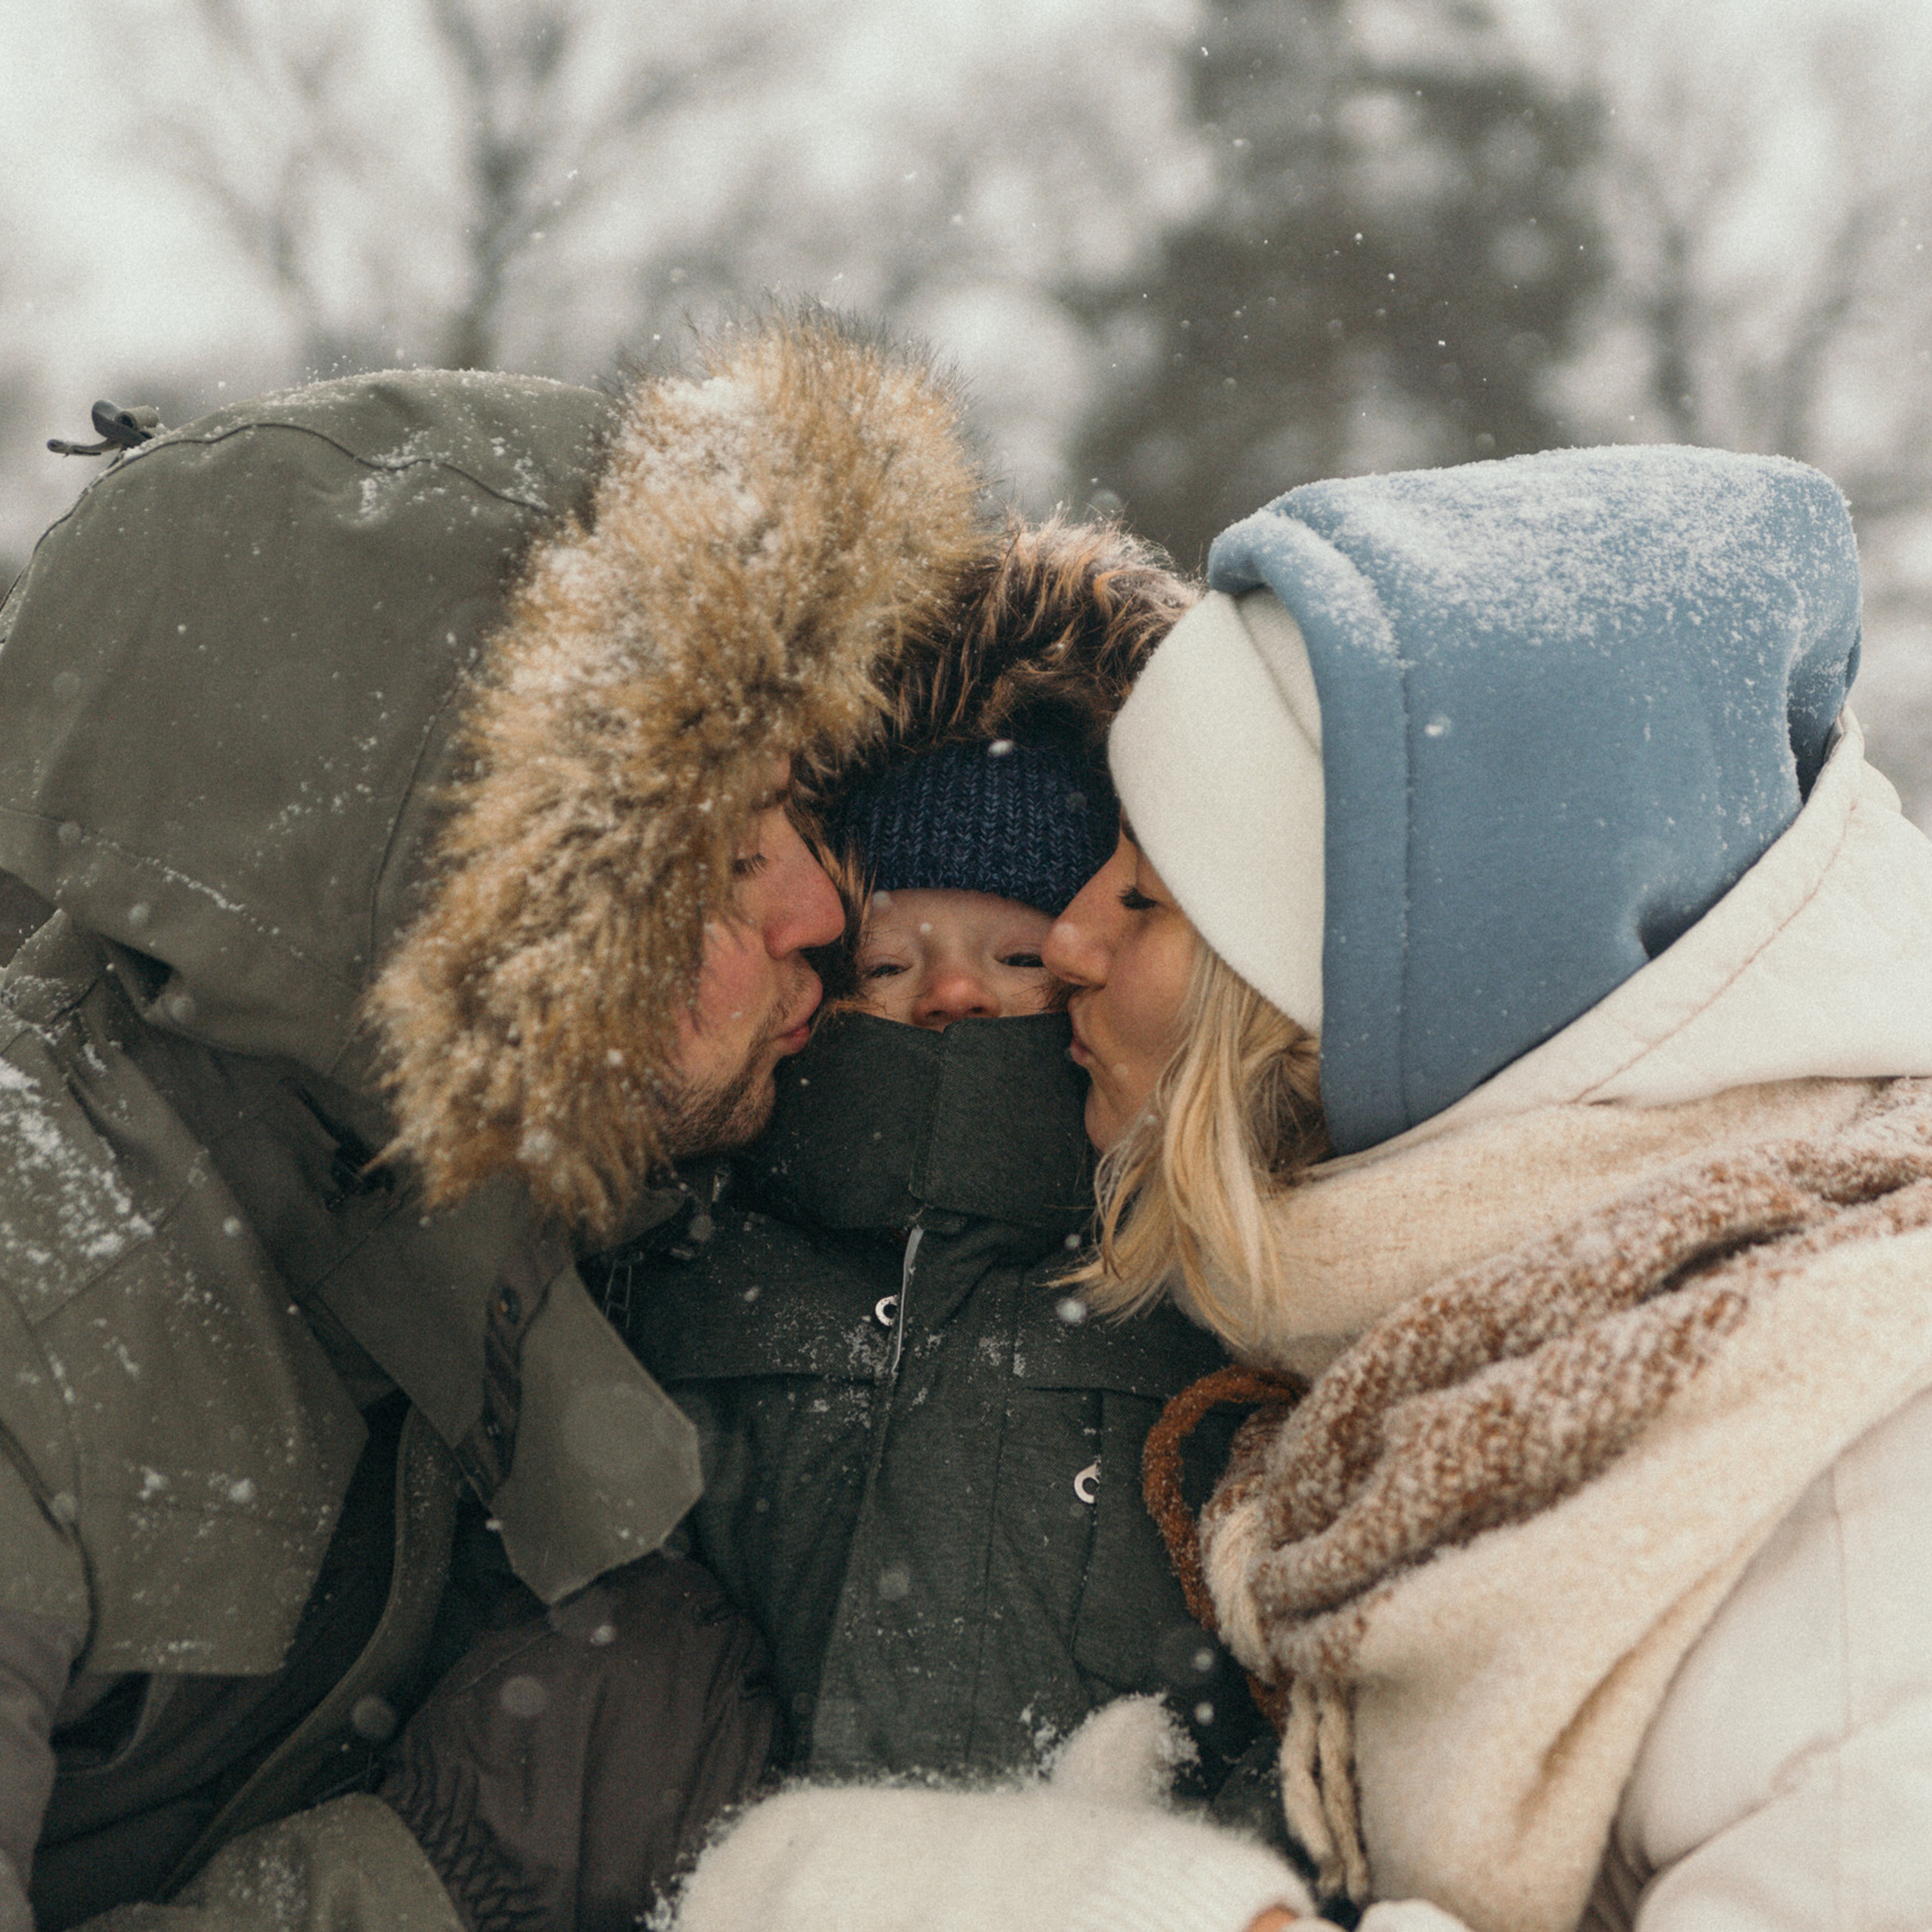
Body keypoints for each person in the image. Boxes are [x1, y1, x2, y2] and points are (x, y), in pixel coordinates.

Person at [0, 312, 987, 1932]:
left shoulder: (470, 1211)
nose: (826, 901)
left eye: (804, 814)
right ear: (460, 894)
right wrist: (429, 1879)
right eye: (726, 849)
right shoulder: (35, 1285)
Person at [1041, 444, 1932, 1930]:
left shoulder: (1853, 1494)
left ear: (1343, 1020)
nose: (1062, 936)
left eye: (1145, 896)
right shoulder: (1477, 1374)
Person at [584, 521, 1321, 1932]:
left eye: (1017, 955)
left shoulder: (1206, 1296)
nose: (954, 997)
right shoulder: (686, 1258)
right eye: (891, 955)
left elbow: (1304, 1719)